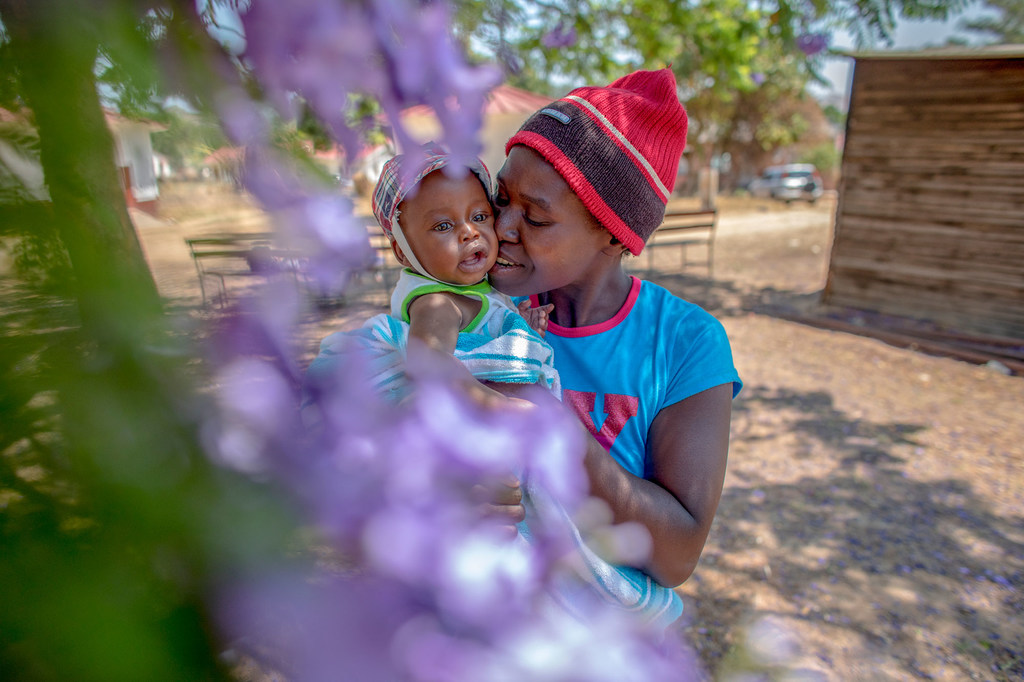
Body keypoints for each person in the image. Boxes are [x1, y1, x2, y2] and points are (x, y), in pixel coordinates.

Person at [485, 67, 742, 596]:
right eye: (501, 198)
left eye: (536, 218)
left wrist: (553, 424)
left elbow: (677, 554)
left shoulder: (685, 344)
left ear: (611, 233)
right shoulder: (477, 314)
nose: (502, 228)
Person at [306, 143, 559, 405]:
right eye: (443, 226)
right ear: (403, 252)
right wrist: (498, 405)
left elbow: (483, 344)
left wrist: (518, 329)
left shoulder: (469, 290)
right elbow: (428, 364)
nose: (469, 232)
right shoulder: (438, 303)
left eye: (480, 216)